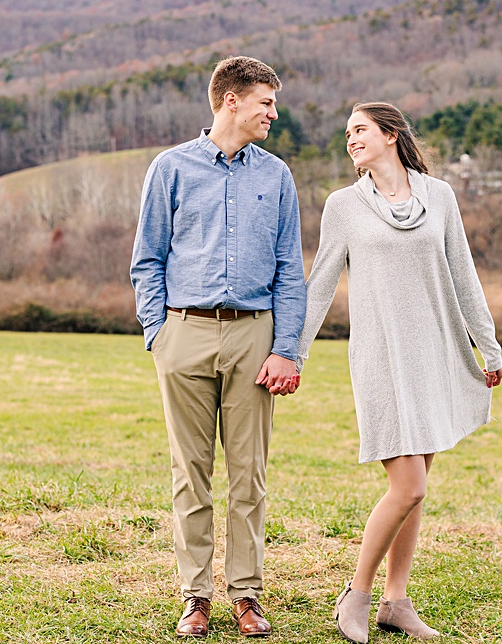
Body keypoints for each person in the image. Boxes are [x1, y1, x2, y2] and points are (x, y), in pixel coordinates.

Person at [297, 102, 502, 643]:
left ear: (391, 134)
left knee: (418, 487)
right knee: (407, 485)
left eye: (360, 129)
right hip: (382, 358)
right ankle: (357, 595)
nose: (351, 139)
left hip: (436, 353)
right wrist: (291, 352)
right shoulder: (343, 206)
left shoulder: (438, 196)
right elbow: (319, 283)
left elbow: (464, 274)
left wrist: (489, 344)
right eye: (346, 134)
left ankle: (396, 601)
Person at [130, 56, 306, 638]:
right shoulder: (170, 168)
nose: (273, 115)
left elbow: (289, 270)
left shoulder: (276, 176)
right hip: (184, 334)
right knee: (191, 473)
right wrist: (159, 334)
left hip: (255, 337)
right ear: (231, 100)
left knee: (249, 476)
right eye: (266, 104)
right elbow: (147, 258)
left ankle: (247, 595)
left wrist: (288, 349)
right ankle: (195, 596)